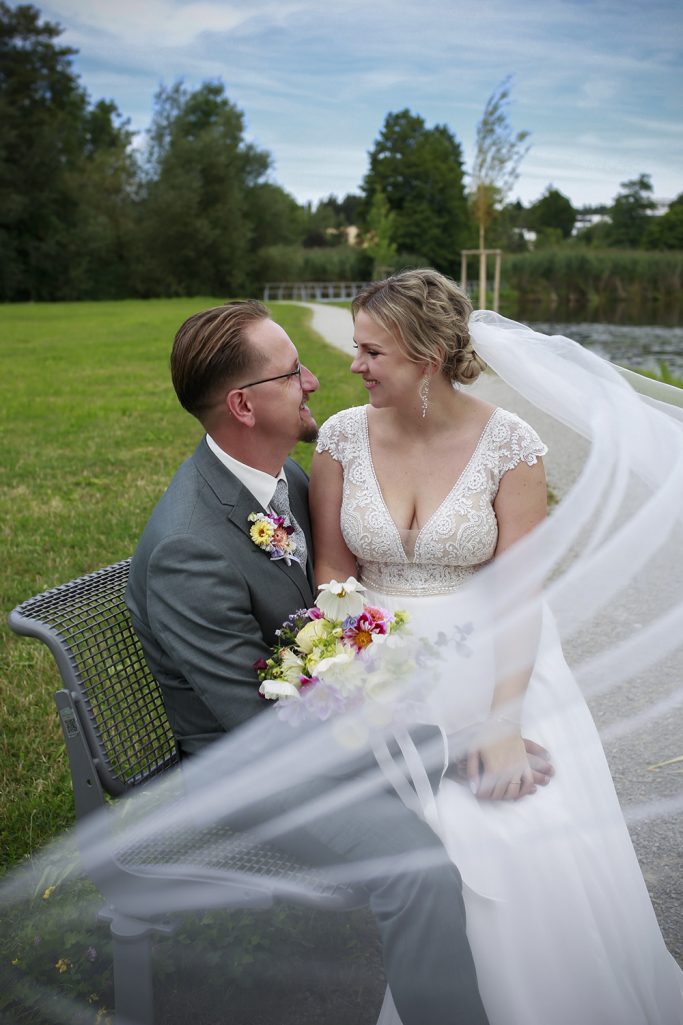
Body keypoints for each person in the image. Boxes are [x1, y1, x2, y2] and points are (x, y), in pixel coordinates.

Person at [309, 269, 683, 1025]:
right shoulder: (340, 437)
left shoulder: (509, 444)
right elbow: (331, 572)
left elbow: (519, 593)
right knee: (424, 824)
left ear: (432, 352)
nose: (355, 365)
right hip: (379, 659)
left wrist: (502, 719)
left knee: (514, 825)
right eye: (356, 347)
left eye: (373, 351)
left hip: (493, 660)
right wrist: (353, 676)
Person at [125, 299, 493, 1025]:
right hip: (250, 767)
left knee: (493, 793)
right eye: (292, 371)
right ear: (243, 403)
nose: (314, 382)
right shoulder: (189, 546)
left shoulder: (283, 482)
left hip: (311, 733)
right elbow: (257, 726)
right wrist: (430, 744)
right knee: (415, 868)